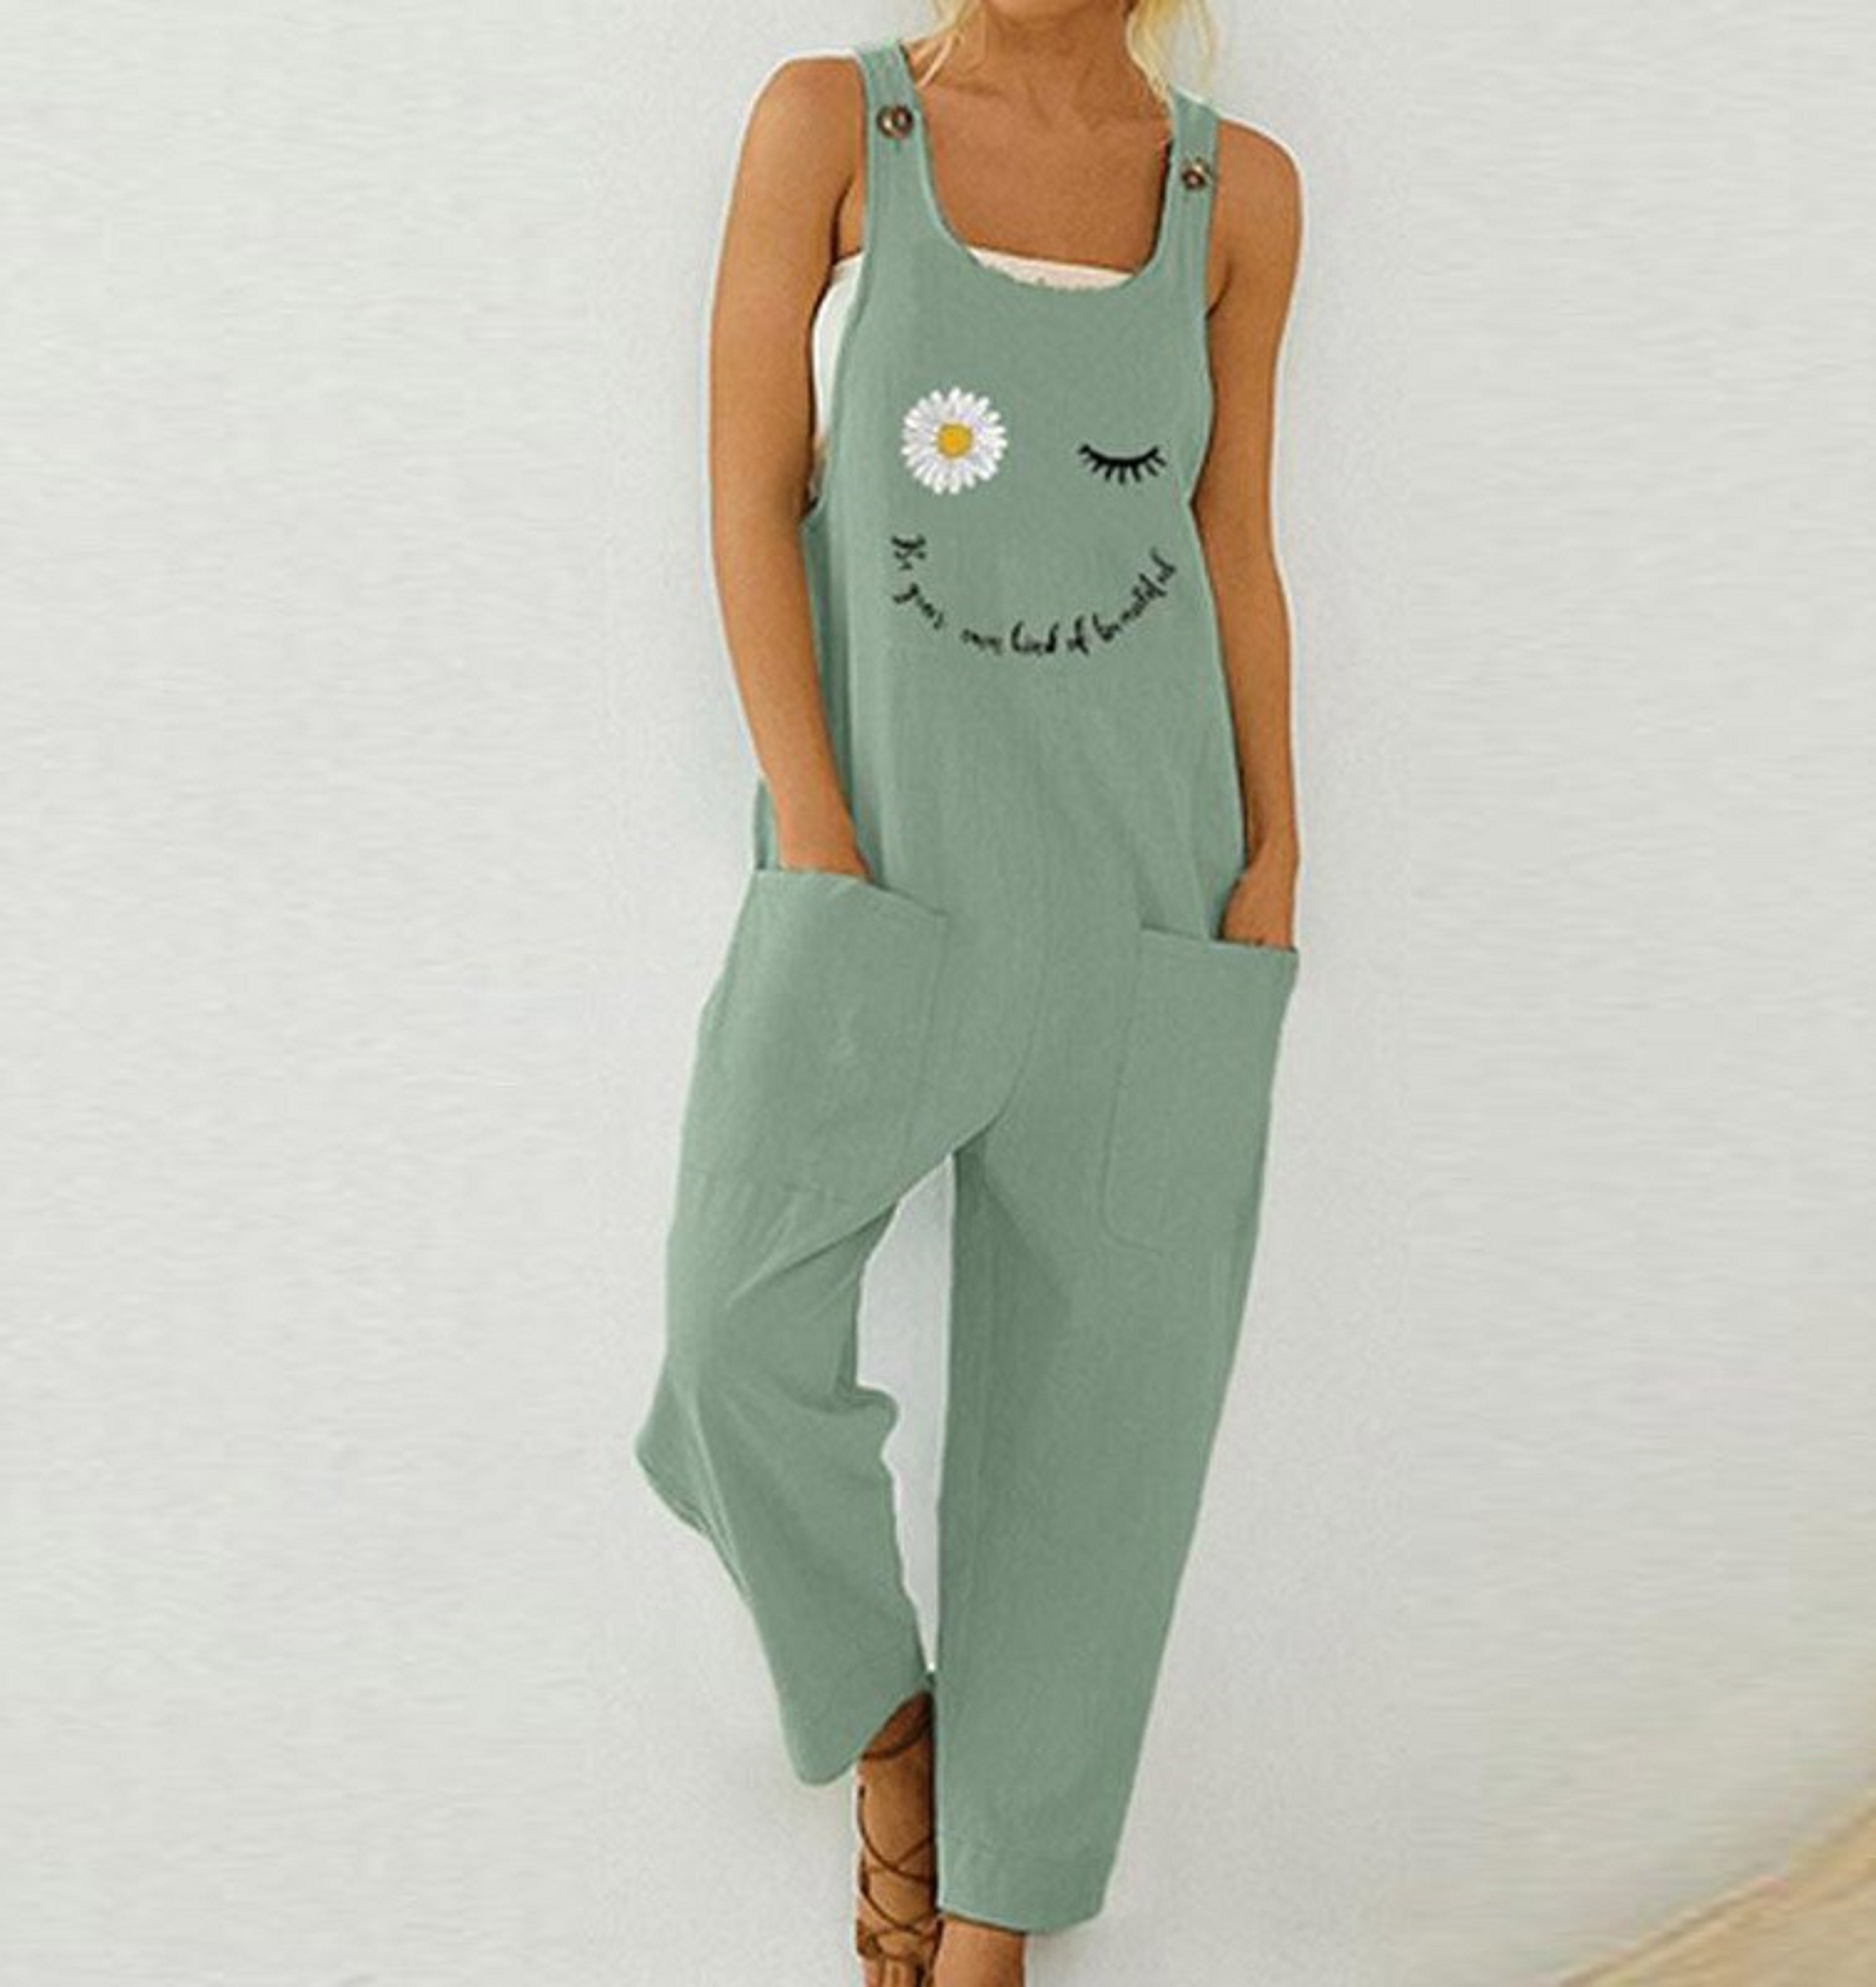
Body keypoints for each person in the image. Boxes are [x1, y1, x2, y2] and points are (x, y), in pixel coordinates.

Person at [632, 4, 1304, 1980]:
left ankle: (989, 1931)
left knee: (1109, 1431)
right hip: (883, 875)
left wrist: (1274, 856)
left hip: (1155, 890)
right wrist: (818, 834)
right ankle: (895, 1723)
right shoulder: (829, 126)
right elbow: (752, 490)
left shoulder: (1238, 194)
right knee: (729, 1337)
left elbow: (1230, 540)